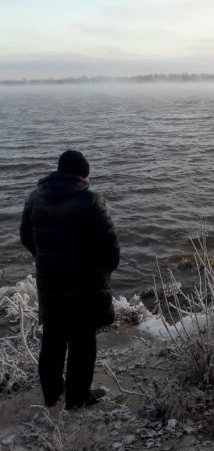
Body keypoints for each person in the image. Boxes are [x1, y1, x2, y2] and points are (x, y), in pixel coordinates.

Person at [20, 150, 120, 409]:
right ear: (83, 175)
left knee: (52, 338)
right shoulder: (91, 201)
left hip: (49, 283)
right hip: (83, 286)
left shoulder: (34, 198)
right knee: (83, 342)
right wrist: (107, 270)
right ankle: (77, 398)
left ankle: (52, 395)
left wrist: (45, 259)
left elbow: (26, 237)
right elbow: (109, 246)